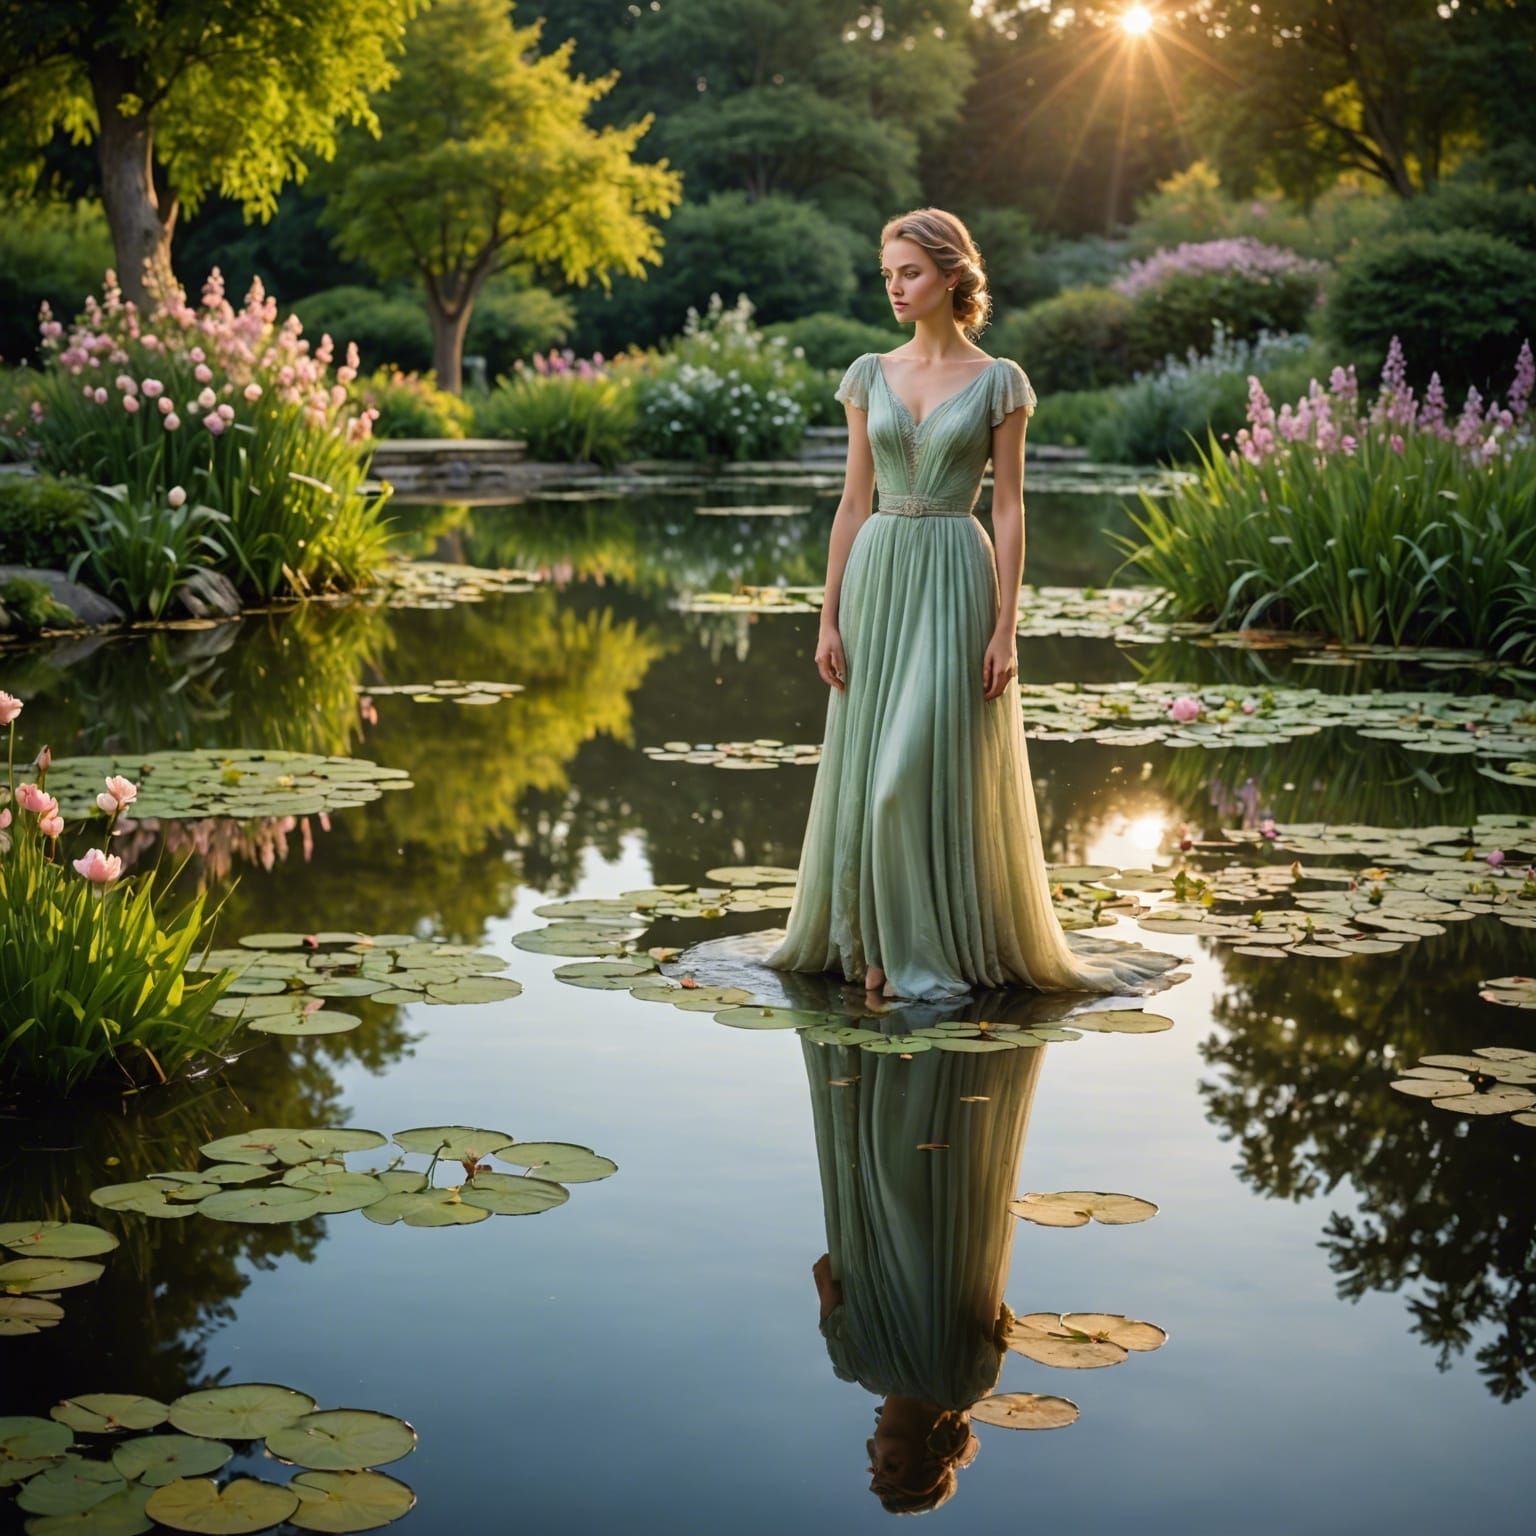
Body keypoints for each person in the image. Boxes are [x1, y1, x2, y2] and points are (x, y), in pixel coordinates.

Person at [766, 207, 1181, 1004]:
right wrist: (826, 616)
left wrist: (1006, 626)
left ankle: (926, 948)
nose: (894, 286)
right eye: (887, 273)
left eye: (909, 272)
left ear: (951, 276)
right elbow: (852, 503)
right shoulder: (867, 373)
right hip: (878, 574)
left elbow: (1012, 509)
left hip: (957, 573)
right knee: (870, 771)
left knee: (906, 779)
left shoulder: (1001, 382)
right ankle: (877, 949)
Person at [802, 1006, 1050, 1514]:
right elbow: (827, 1272)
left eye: (875, 1471)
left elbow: (996, 1311)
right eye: (891, 1469)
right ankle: (889, 1037)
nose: (877, 1462)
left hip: (946, 1231)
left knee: (933, 1155)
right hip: (896, 1227)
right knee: (889, 1158)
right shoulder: (859, 1365)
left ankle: (938, 1040)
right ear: (923, 1456)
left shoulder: (957, 1382)